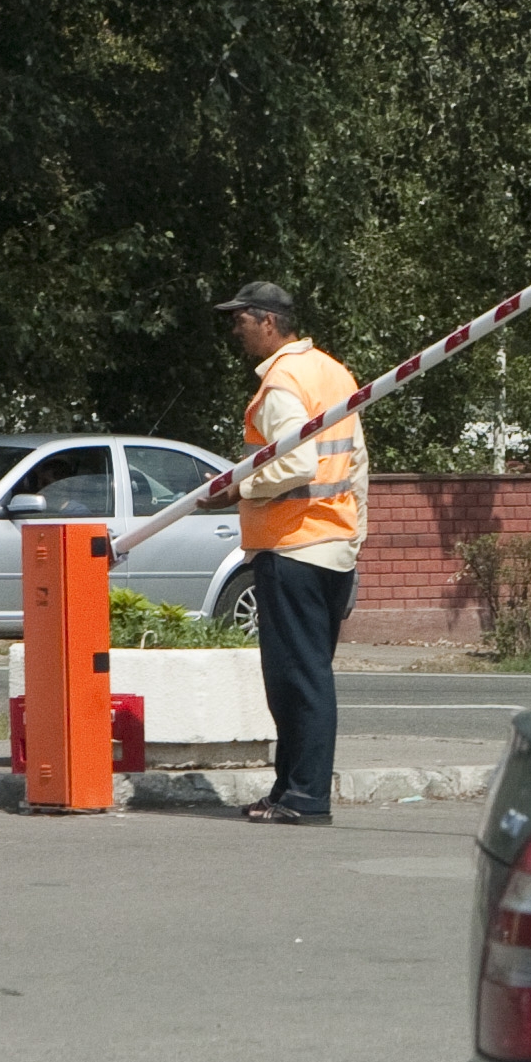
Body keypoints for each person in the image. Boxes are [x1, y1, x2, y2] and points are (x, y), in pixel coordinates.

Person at [214, 281, 363, 825]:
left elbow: (295, 466)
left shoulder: (282, 380)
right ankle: (288, 791)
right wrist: (354, 540)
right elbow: (357, 467)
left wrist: (238, 488)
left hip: (293, 545)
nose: (236, 329)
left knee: (296, 679)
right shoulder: (332, 371)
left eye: (241, 319)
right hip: (329, 545)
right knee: (305, 675)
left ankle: (304, 797)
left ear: (268, 322)